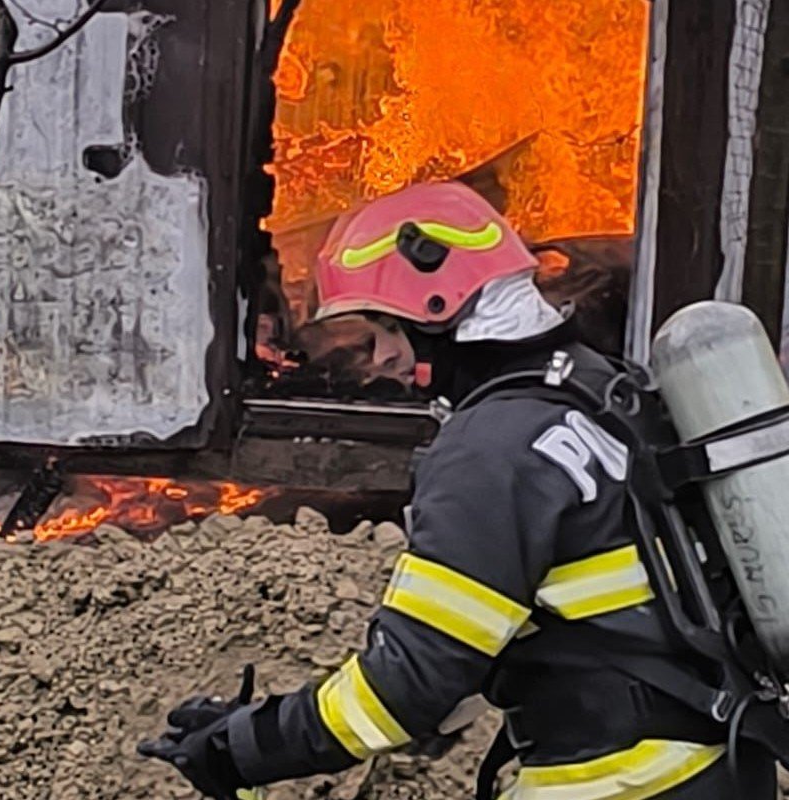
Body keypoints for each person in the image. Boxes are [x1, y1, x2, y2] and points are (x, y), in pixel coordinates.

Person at [138, 182, 777, 799]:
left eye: (386, 330)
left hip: (620, 783)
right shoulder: (601, 389)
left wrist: (242, 748)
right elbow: (487, 655)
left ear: (438, 305)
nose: (381, 360)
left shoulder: (491, 450)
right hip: (717, 766)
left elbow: (408, 685)